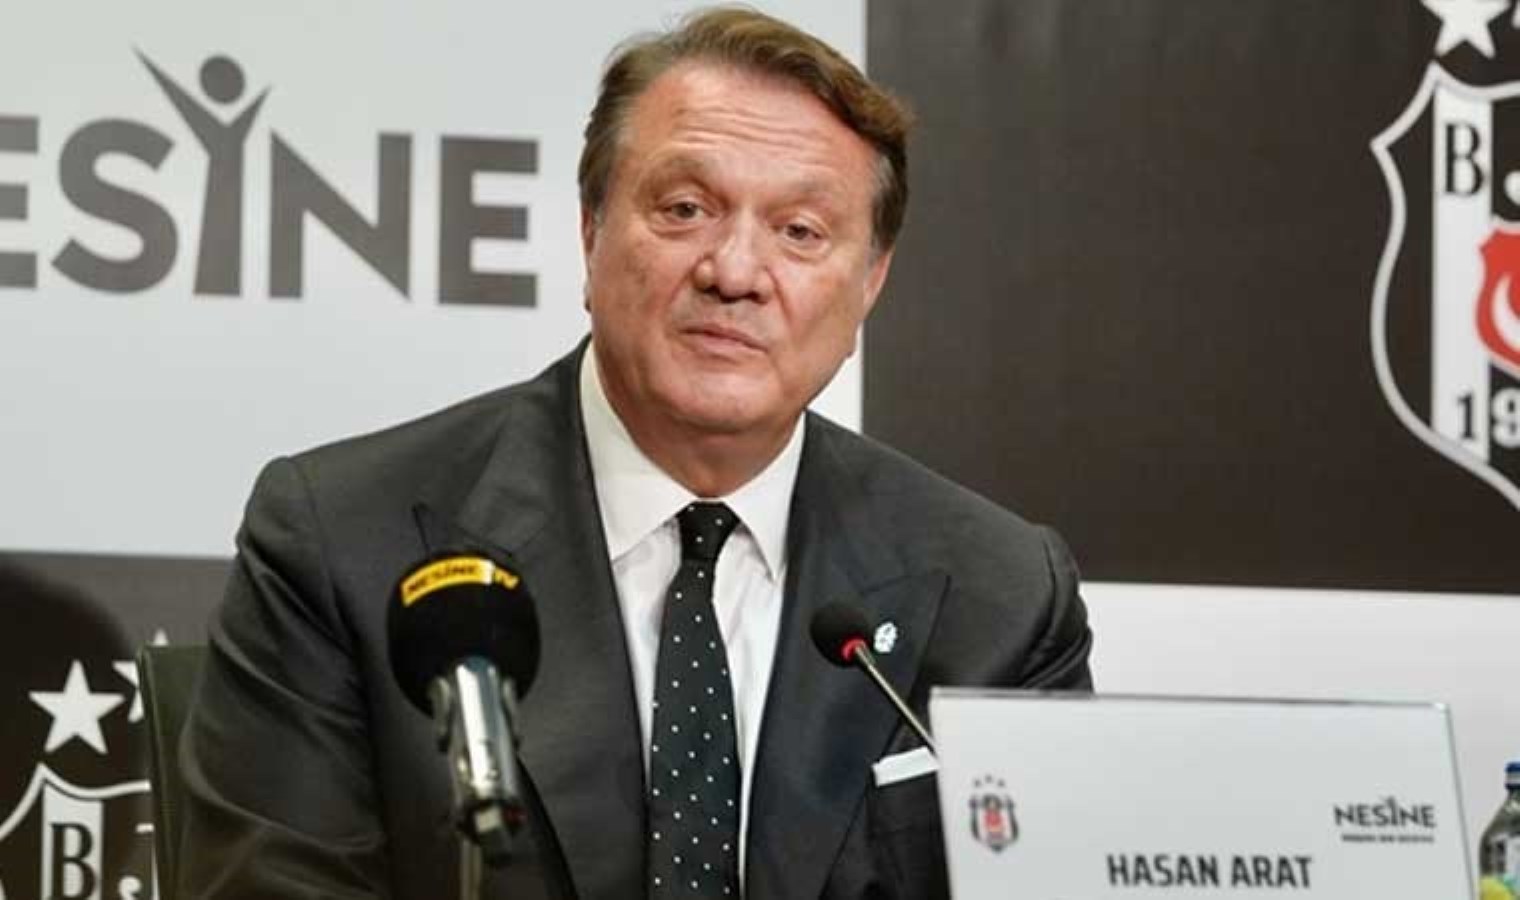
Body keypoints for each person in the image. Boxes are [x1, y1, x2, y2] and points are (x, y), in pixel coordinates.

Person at [176, 8, 1092, 899]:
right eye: (685, 209)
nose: (735, 273)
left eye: (800, 233)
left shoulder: (1002, 600)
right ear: (591, 230)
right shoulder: (341, 544)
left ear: (871, 283)